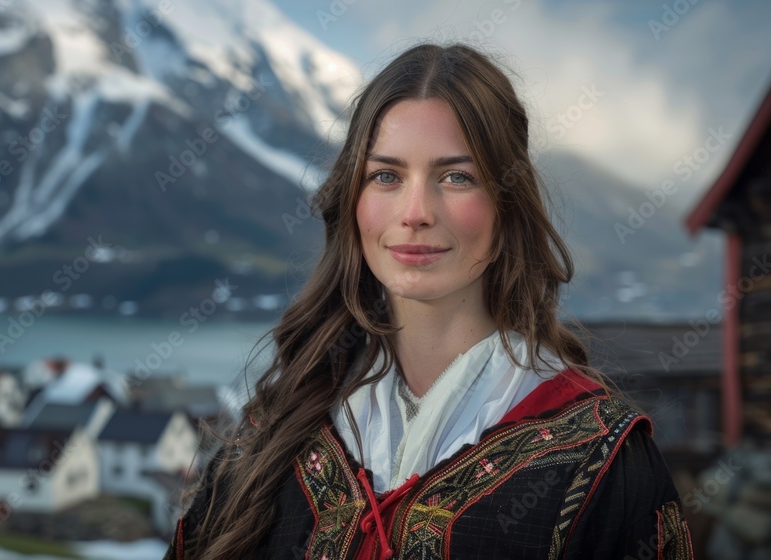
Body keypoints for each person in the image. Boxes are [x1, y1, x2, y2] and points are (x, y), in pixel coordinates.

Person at [164, 43, 694, 559]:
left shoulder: (601, 461)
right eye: (386, 176)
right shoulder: (270, 441)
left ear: (507, 205)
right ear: (353, 200)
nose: (415, 211)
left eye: (455, 177)